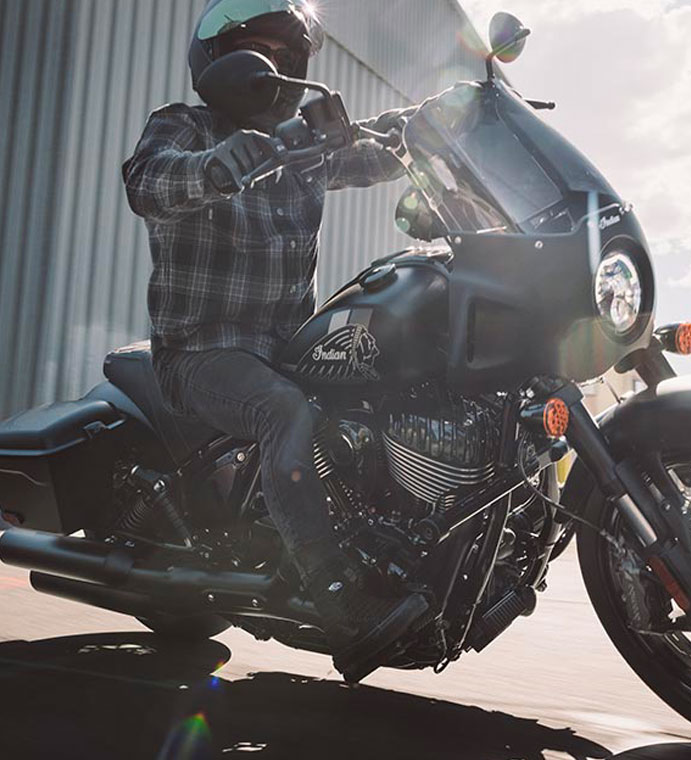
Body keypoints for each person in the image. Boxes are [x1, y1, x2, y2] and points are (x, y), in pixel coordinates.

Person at [122, 0, 427, 675]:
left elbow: (375, 149)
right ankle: (333, 592)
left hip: (287, 354)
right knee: (280, 409)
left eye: (289, 59)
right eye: (259, 55)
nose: (276, 70)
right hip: (201, 355)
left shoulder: (300, 150)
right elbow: (148, 182)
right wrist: (216, 166)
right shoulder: (186, 126)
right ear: (219, 60)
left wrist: (442, 120)